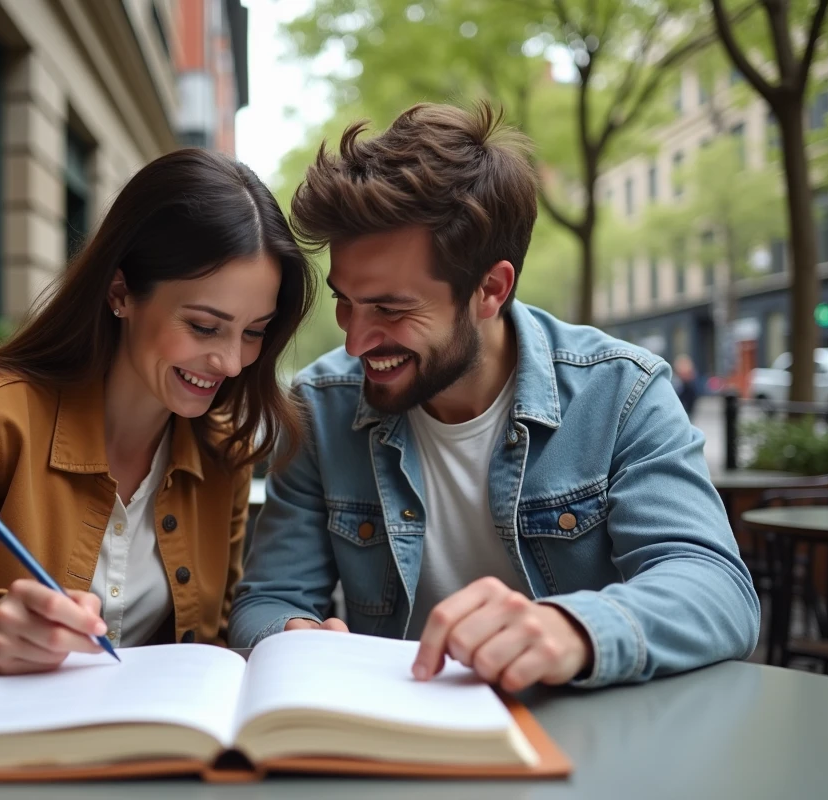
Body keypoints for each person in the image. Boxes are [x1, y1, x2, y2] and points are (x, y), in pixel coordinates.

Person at [229, 102, 760, 692]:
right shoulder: (319, 407)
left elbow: (717, 588)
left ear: (490, 289)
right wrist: (292, 633)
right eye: (345, 300)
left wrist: (574, 630)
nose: (355, 339)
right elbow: (269, 597)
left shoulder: (621, 392)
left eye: (390, 308)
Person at [0, 149, 316, 691]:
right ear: (121, 293)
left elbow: (210, 648)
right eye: (203, 326)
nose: (231, 362)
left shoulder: (224, 452)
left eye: (253, 331)